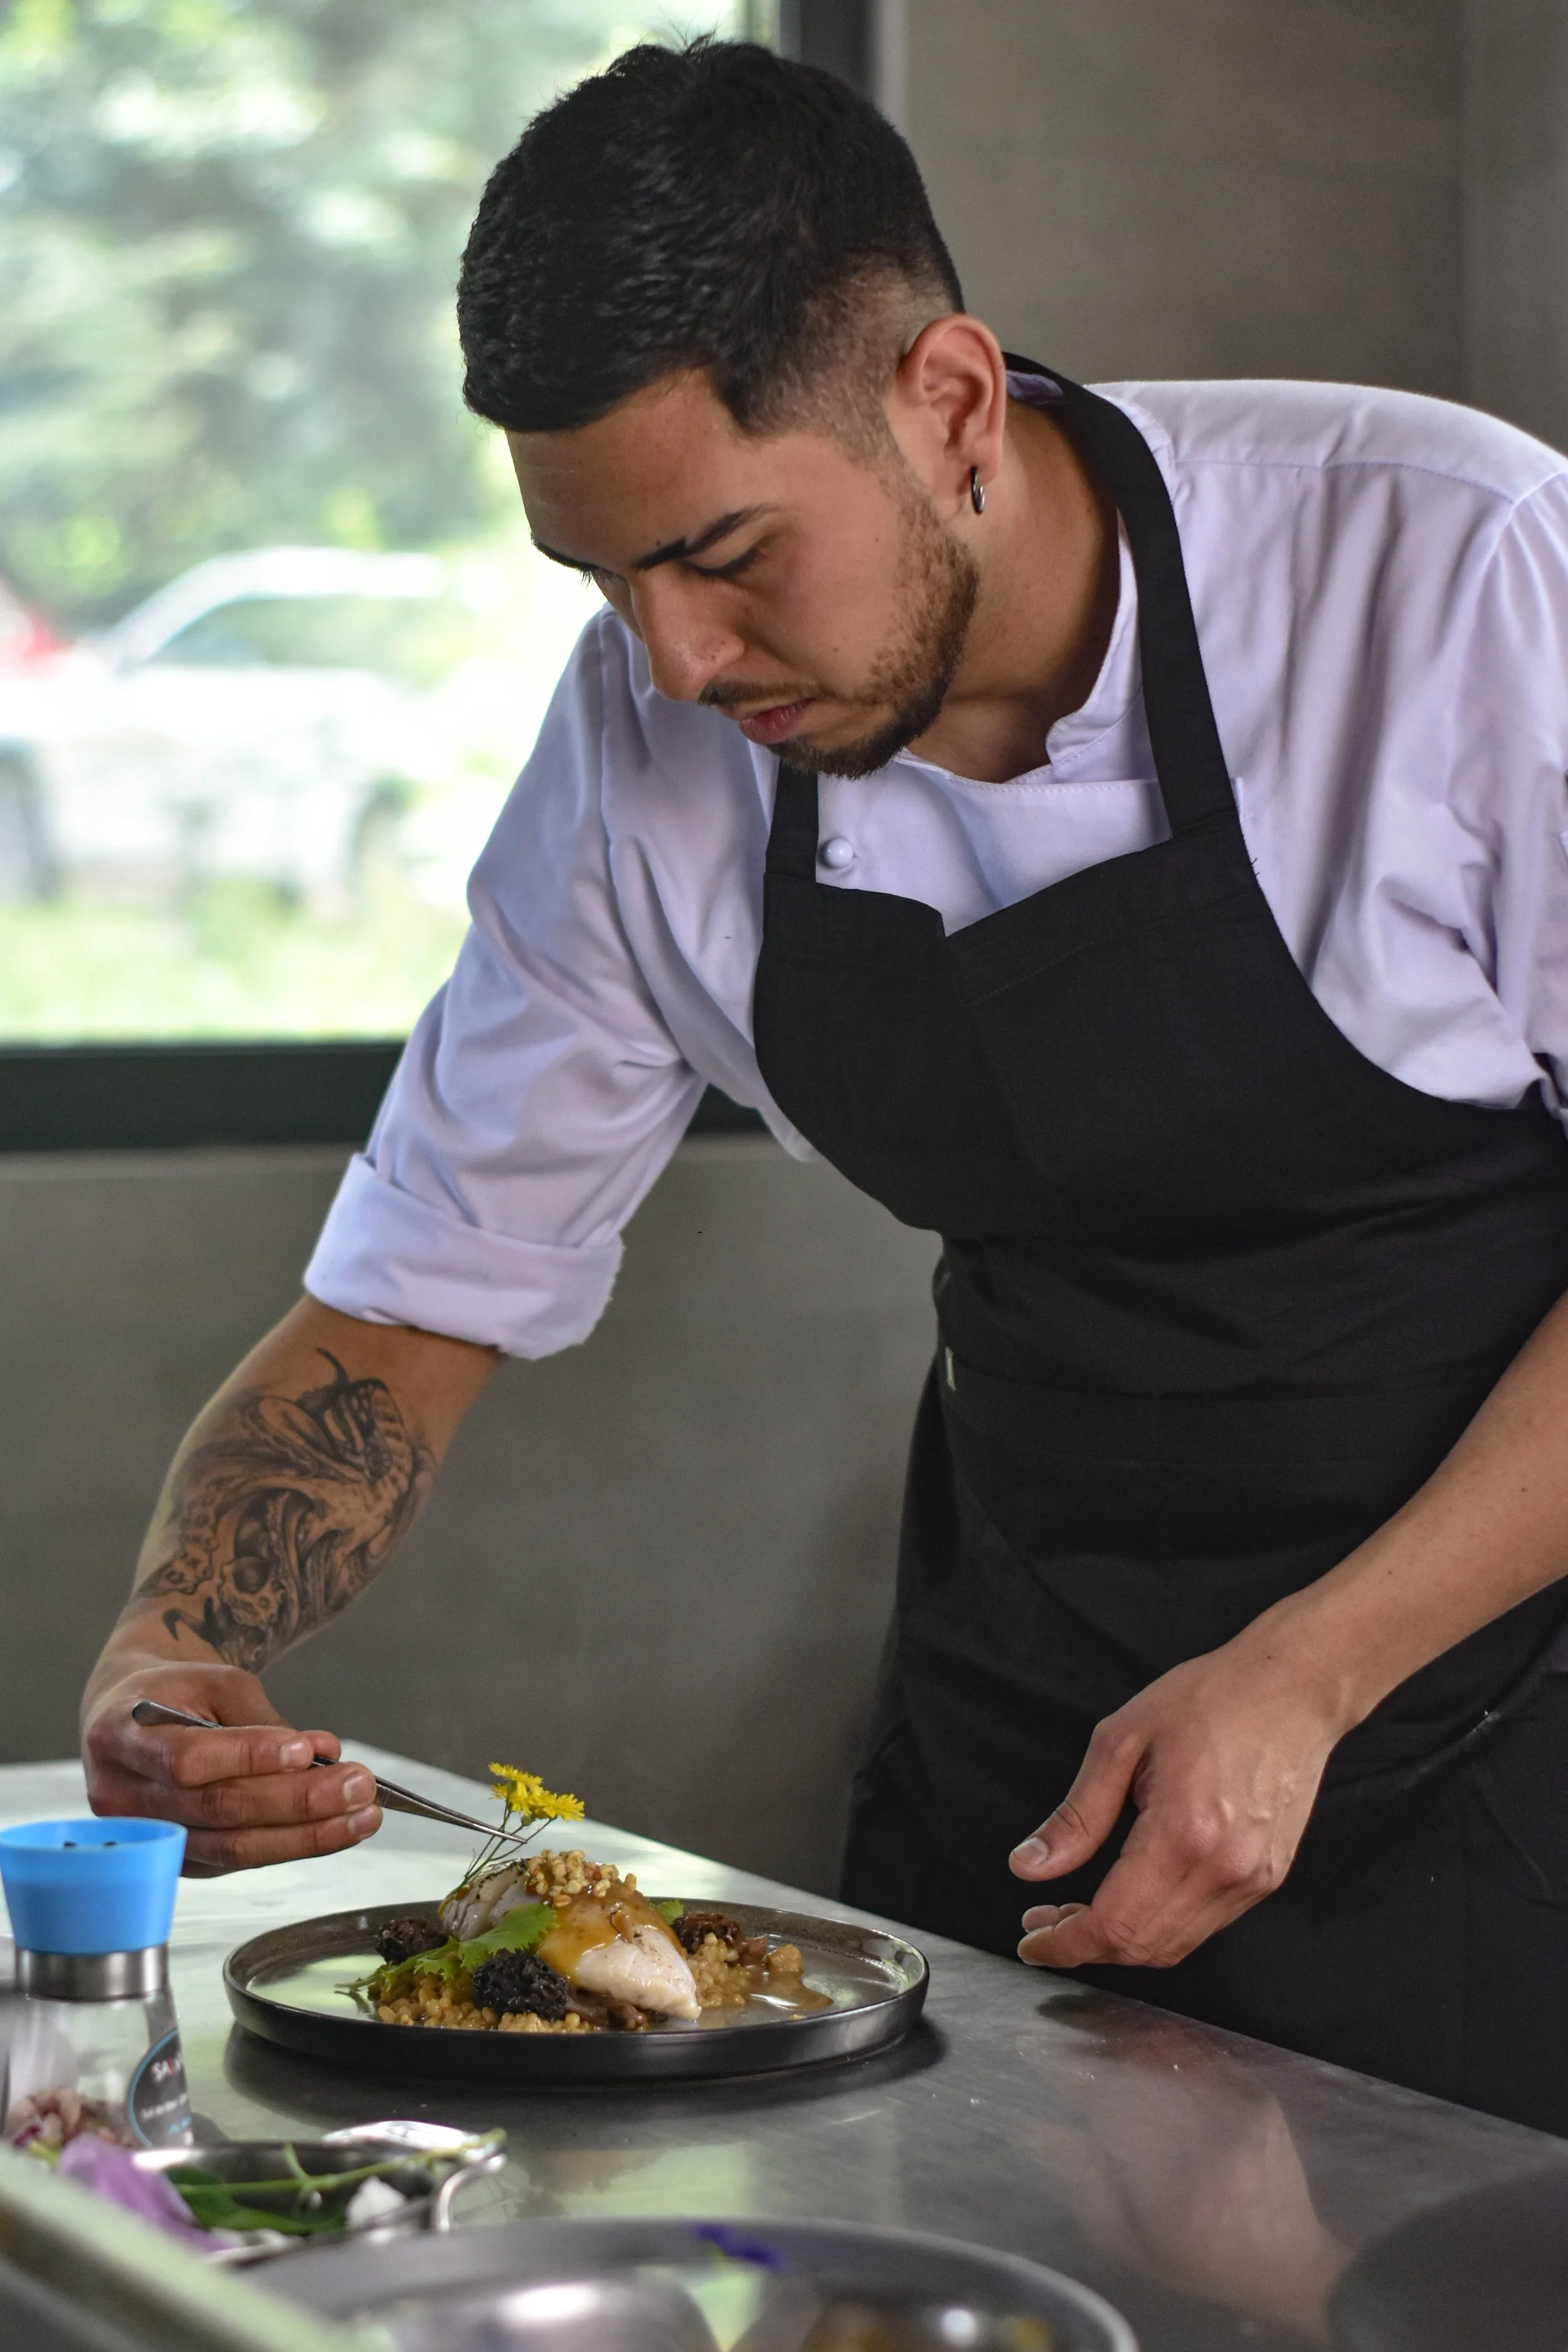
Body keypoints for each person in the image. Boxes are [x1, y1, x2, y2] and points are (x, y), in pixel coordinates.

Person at [79, 38, 1568, 2134]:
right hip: (1030, 1719)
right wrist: (159, 1653)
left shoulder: (1450, 575)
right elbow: (408, 1303)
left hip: (1505, 1717)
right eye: (603, 582)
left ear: (947, 400)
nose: (674, 662)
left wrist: (1308, 1669)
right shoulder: (641, 752)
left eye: (723, 551)